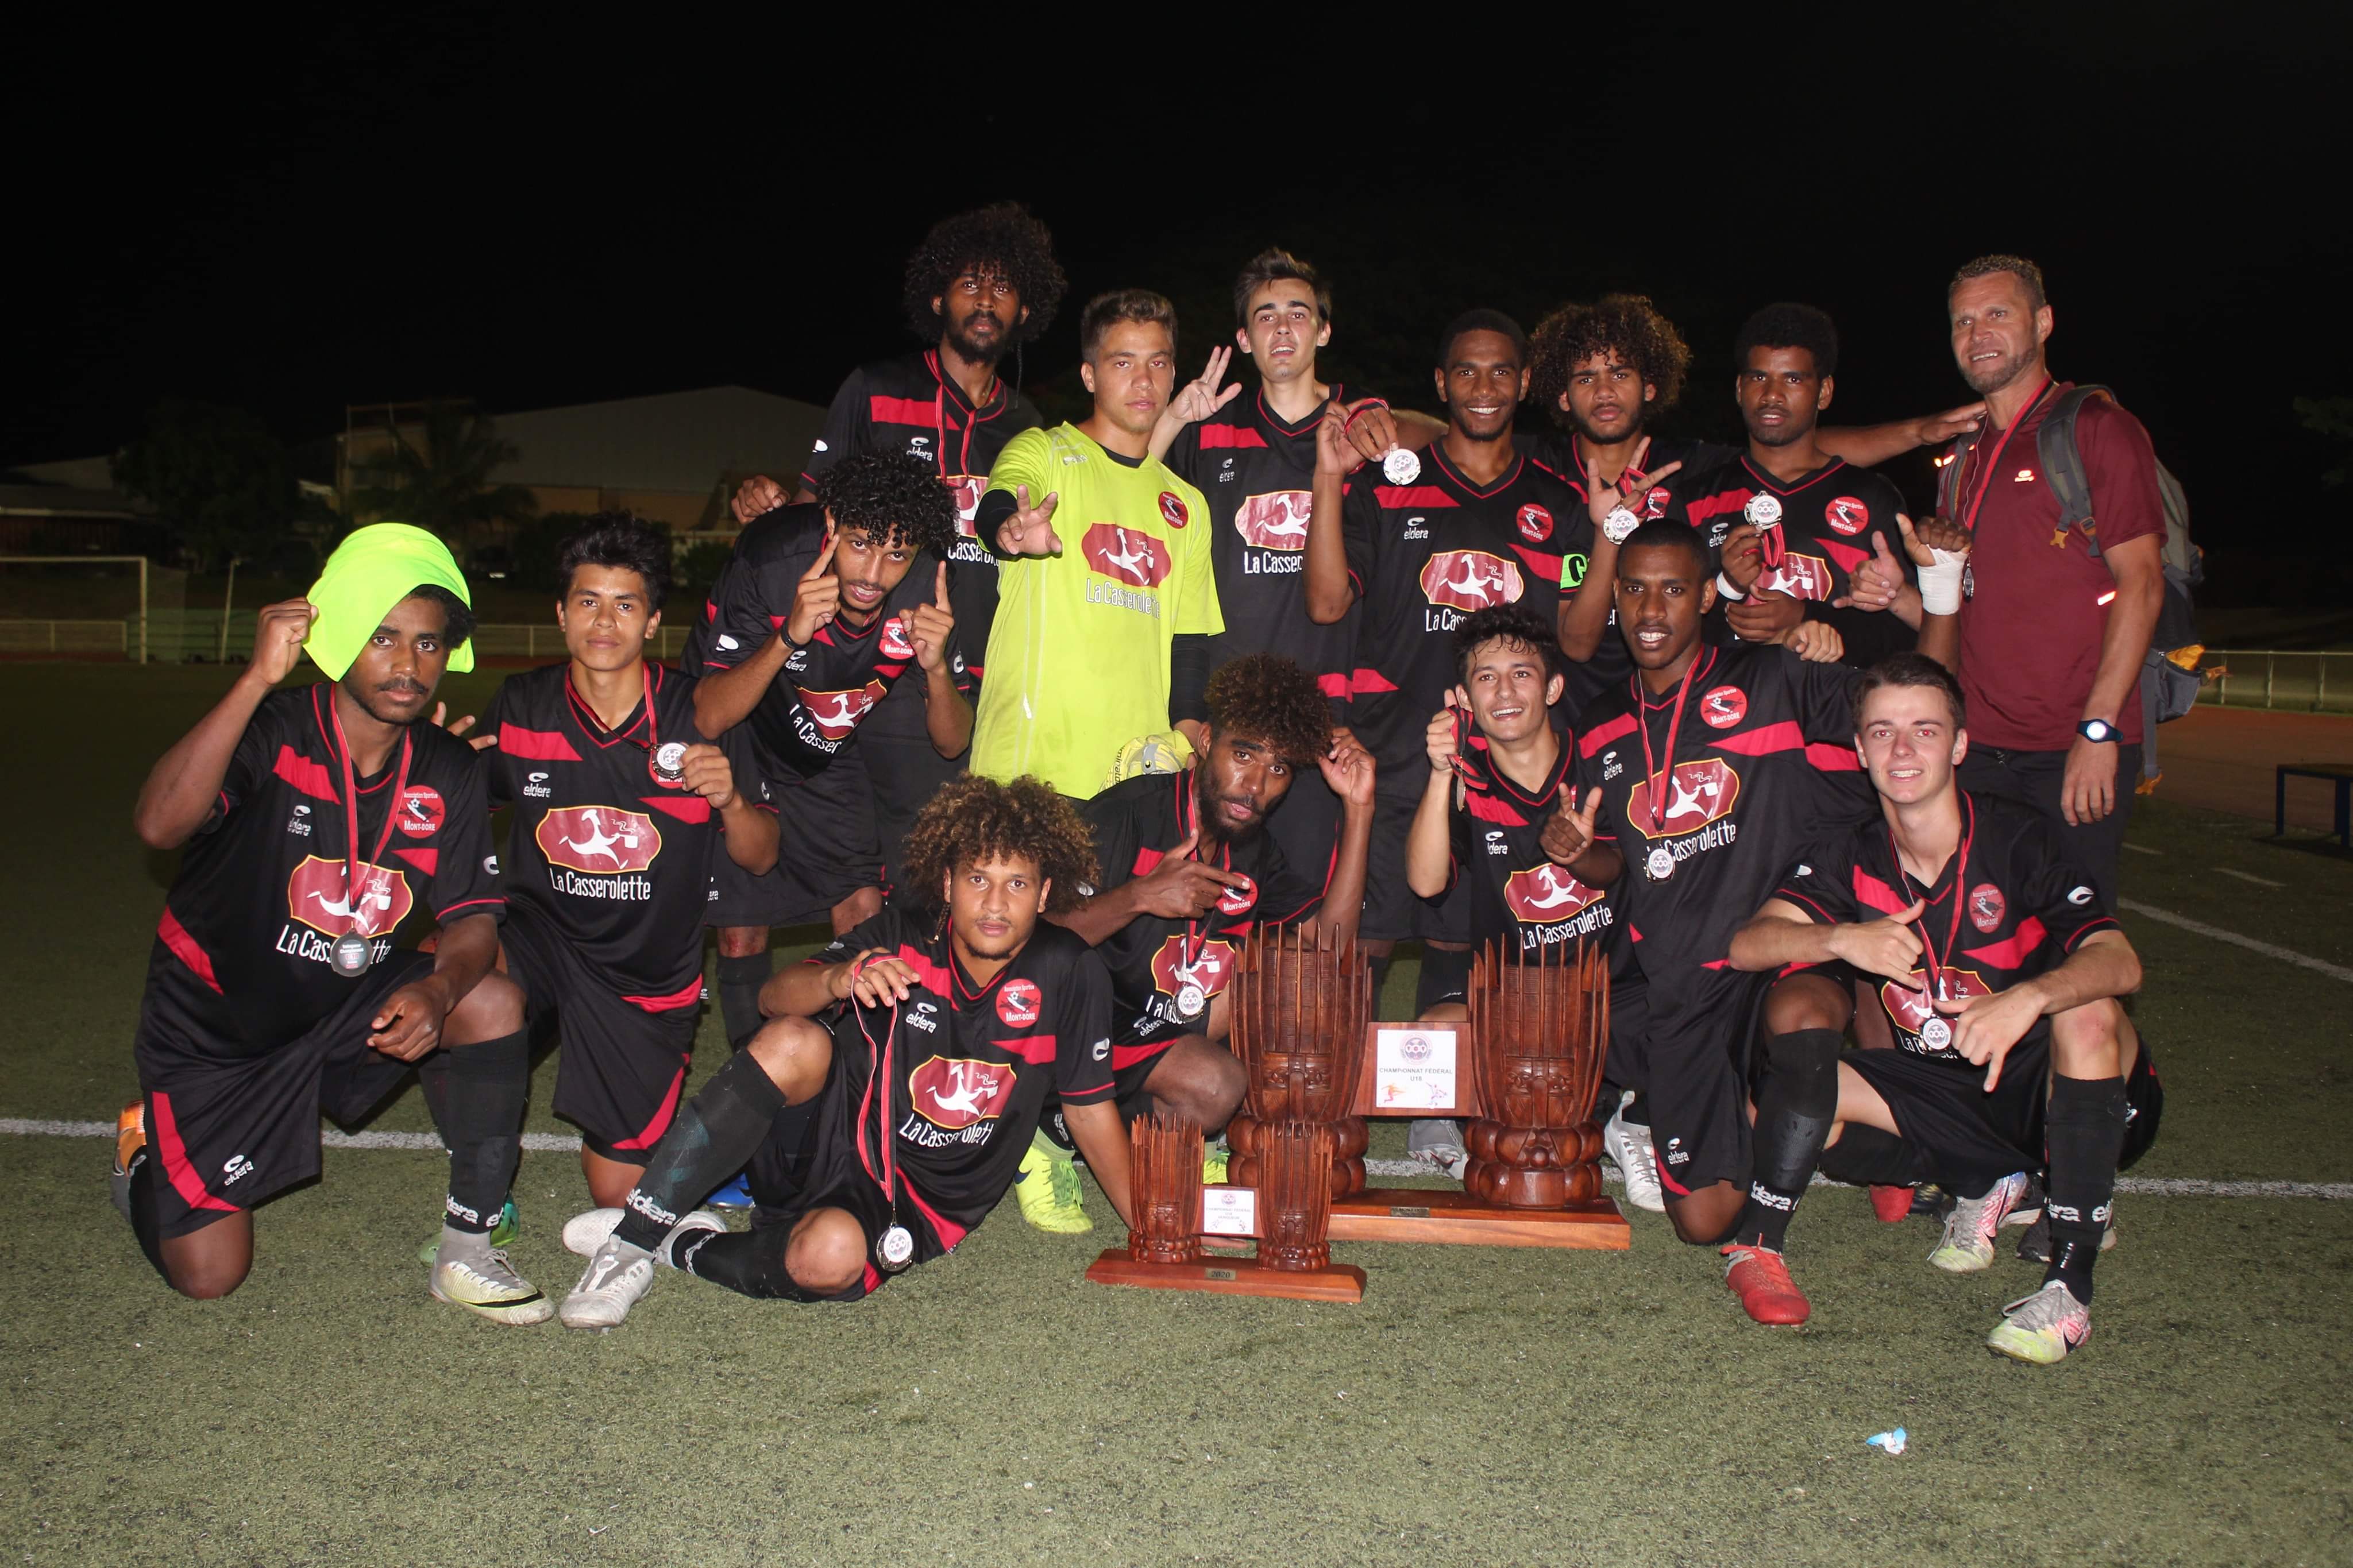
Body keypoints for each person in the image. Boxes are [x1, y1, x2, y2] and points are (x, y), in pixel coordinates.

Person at [111, 524, 543, 1322]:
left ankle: (470, 1241)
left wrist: (442, 991)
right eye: (382, 638)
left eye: (427, 643)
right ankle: (143, 1155)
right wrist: (251, 681)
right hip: (219, 1026)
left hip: (340, 1003)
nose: (407, 663)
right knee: (209, 1274)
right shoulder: (275, 731)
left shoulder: (448, 769)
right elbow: (159, 825)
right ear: (340, 638)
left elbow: (474, 918)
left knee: (494, 999)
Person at [556, 776, 1133, 1326]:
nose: (995, 903)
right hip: (824, 1143)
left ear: (1045, 892)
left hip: (922, 1193)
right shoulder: (902, 936)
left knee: (827, 1259)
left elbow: (1086, 1106)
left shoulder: (1069, 970)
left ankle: (685, 1244)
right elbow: (771, 999)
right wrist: (841, 978)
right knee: (793, 1038)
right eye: (978, 880)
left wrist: (1146, 1231)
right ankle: (630, 1242)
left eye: (1018, 883)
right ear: (949, 884)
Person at [1544, 518, 1953, 1291]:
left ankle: (1805, 1183)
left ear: (1706, 595)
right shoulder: (1598, 724)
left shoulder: (1774, 679)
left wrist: (1937, 590)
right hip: (1685, 987)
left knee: (1802, 1010)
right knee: (1703, 1219)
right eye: (1633, 590)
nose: (1651, 610)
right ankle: (1849, 1134)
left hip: (1777, 952)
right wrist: (1575, 850)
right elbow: (1616, 863)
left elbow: (1916, 703)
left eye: (1672, 589)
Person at [1727, 652, 2160, 1361]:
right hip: (1946, 1091)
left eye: (1925, 731)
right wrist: (1843, 938)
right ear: (1860, 748)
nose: (1903, 750)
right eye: (1882, 732)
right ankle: (1768, 1244)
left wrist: (2027, 998)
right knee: (1788, 1098)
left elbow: (2120, 961)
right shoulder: (1850, 853)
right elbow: (1749, 945)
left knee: (2086, 1013)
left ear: (1958, 746)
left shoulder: (2017, 836)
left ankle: (2068, 1289)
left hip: (2043, 1087)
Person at [1301, 309, 1590, 1169]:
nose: (1485, 387)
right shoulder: (1388, 483)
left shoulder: (1557, 503)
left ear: (1524, 383)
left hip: (1509, 769)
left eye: (1502, 372)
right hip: (1399, 754)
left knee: (1465, 939)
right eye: (1467, 371)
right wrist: (1325, 477)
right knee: (1372, 939)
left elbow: (1577, 630)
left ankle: (1437, 1108)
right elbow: (1324, 603)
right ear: (1442, 383)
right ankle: (1322, 1102)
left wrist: (1605, 538)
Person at [727, 202, 1066, 895]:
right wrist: (761, 508)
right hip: (868, 670)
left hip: (967, 678)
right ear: (936, 295)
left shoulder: (1029, 428)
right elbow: (810, 514)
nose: (984, 300)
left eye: (1002, 287)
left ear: (1025, 309)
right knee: (866, 879)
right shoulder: (875, 390)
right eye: (969, 284)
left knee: (949, 871)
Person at [476, 515, 778, 1209]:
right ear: (560, 614)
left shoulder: (700, 717)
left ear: (651, 623)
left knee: (617, 1197)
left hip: (643, 972)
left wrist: (730, 799)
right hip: (541, 938)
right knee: (454, 978)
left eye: (625, 604)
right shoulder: (522, 705)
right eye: (587, 601)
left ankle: (687, 1144)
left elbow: (760, 859)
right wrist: (429, 768)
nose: (604, 621)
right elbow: (467, 809)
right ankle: (483, 1185)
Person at [1027, 654, 1377, 1226]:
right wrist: (1137, 896)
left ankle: (1153, 1132)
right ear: (1206, 742)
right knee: (1215, 1083)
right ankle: (1047, 1134)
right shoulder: (1125, 817)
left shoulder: (1256, 849)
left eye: (1279, 768)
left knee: (1287, 977)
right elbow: (1026, 946)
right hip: (1070, 1022)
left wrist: (1359, 808)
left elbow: (1330, 950)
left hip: (1156, 1024)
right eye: (1243, 754)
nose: (1256, 784)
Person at [1522, 295, 1985, 711]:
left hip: (1716, 712)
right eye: (1586, 377)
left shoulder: (1690, 470)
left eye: (1620, 373)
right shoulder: (1537, 471)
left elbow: (1793, 447)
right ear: (1561, 395)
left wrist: (1918, 433)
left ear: (1650, 385)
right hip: (1580, 707)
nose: (1604, 391)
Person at [685, 453, 970, 1055]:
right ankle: (753, 1074)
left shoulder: (925, 586)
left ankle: (853, 1074)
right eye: (861, 544)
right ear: (833, 524)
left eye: (896, 552)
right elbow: (709, 712)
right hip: (742, 725)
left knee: (864, 903)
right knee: (741, 929)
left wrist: (937, 668)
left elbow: (952, 741)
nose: (874, 573)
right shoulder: (770, 559)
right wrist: (788, 633)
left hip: (822, 741)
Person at [1147, 248, 1403, 901]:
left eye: (1299, 314)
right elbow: (1138, 516)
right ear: (1242, 338)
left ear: (1323, 330)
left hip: (1325, 728)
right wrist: (1184, 711)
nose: (1283, 329)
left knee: (1315, 931)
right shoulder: (1208, 434)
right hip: (1223, 725)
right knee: (1214, 920)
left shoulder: (1366, 439)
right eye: (1265, 317)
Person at [1925, 254, 2167, 912]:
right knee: (1985, 947)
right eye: (1962, 322)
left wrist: (2097, 733)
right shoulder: (1960, 457)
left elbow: (2141, 584)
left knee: (2077, 954)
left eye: (1997, 315)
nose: (1978, 335)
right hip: (1977, 751)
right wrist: (1896, 586)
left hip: (2070, 748)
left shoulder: (2095, 429)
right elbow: (1968, 602)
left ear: (2043, 322)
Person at [1403, 605, 1657, 1209]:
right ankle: (1596, 1109)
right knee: (1435, 1037)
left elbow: (1618, 866)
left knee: (1701, 1012)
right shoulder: (1472, 781)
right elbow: (1423, 881)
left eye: (1522, 673)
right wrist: (1441, 774)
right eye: (1486, 678)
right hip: (1519, 1002)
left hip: (1614, 993)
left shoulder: (1597, 760)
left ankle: (1638, 1115)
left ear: (1553, 686)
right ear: (1464, 698)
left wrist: (1579, 854)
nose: (1506, 691)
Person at [970, 290, 1222, 797]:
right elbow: (998, 502)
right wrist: (1010, 528)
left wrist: (1190, 734)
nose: (1144, 380)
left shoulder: (1187, 504)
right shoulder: (1043, 450)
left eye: (1158, 362)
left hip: (1140, 777)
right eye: (1122, 362)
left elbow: (1189, 640)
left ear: (1174, 376)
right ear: (1090, 376)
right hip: (1029, 772)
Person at [1674, 304, 1921, 666]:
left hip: (1840, 715)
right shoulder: (1696, 499)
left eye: (1793, 379)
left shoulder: (1873, 497)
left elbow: (1906, 638)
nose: (1772, 394)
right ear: (1740, 389)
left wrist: (1805, 616)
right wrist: (1727, 589)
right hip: (1728, 718)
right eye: (1759, 378)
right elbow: (1665, 637)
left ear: (1824, 392)